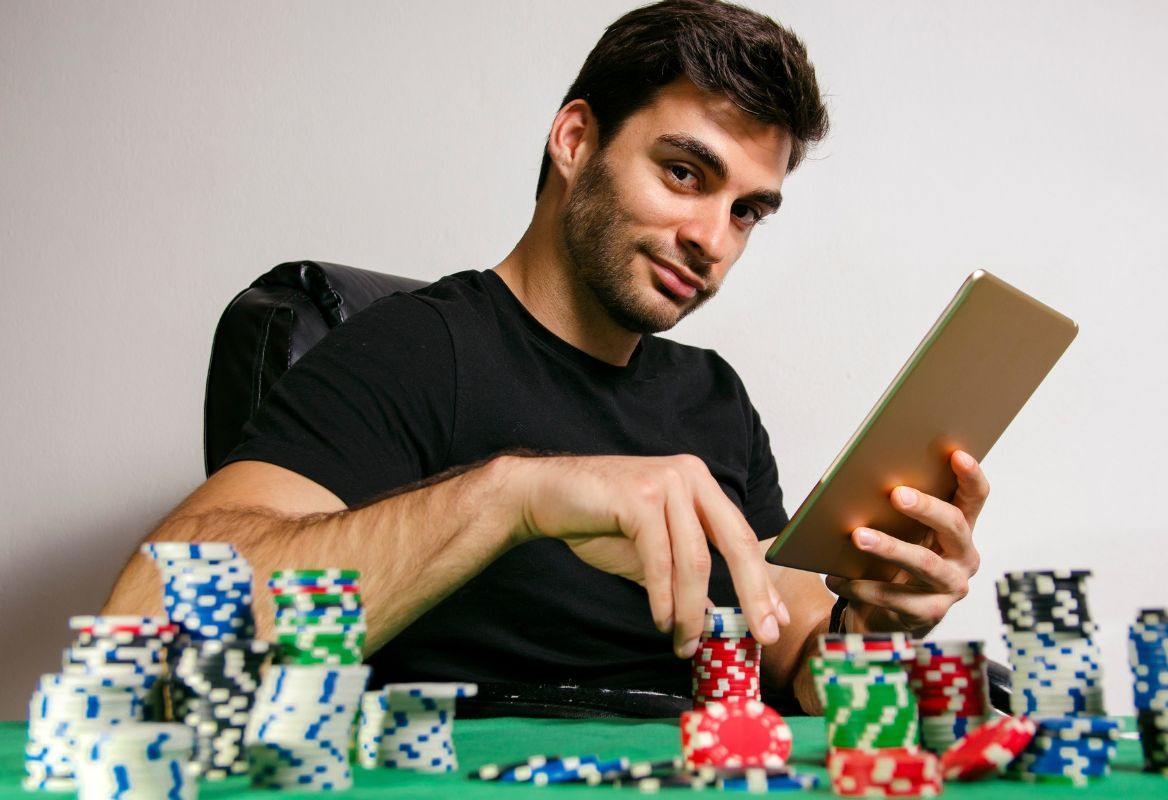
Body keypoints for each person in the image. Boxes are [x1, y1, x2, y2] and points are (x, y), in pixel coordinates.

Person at [102, 0, 988, 715]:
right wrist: (513, 498)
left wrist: (871, 622)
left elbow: (791, 639)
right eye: (685, 173)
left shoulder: (714, 397)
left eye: (746, 211)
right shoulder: (414, 349)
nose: (713, 239)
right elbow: (145, 625)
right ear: (574, 140)